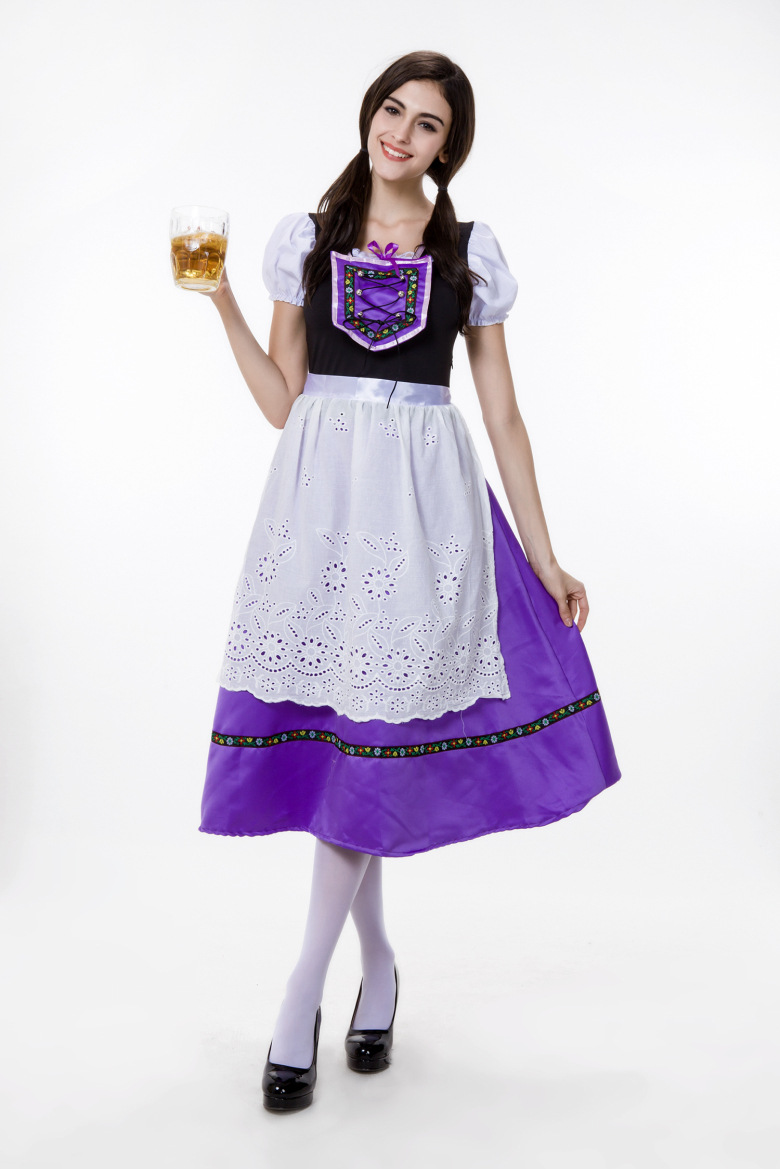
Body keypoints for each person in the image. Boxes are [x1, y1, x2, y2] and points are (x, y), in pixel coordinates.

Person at [191, 50, 621, 1112]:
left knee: (370, 741)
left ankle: (302, 991)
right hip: (319, 509)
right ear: (369, 112)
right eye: (394, 110)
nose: (402, 133)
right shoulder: (309, 238)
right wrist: (221, 301)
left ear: (447, 148)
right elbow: (285, 401)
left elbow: (503, 413)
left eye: (428, 124)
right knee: (349, 745)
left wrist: (545, 552)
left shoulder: (468, 255)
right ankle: (378, 969)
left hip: (422, 516)